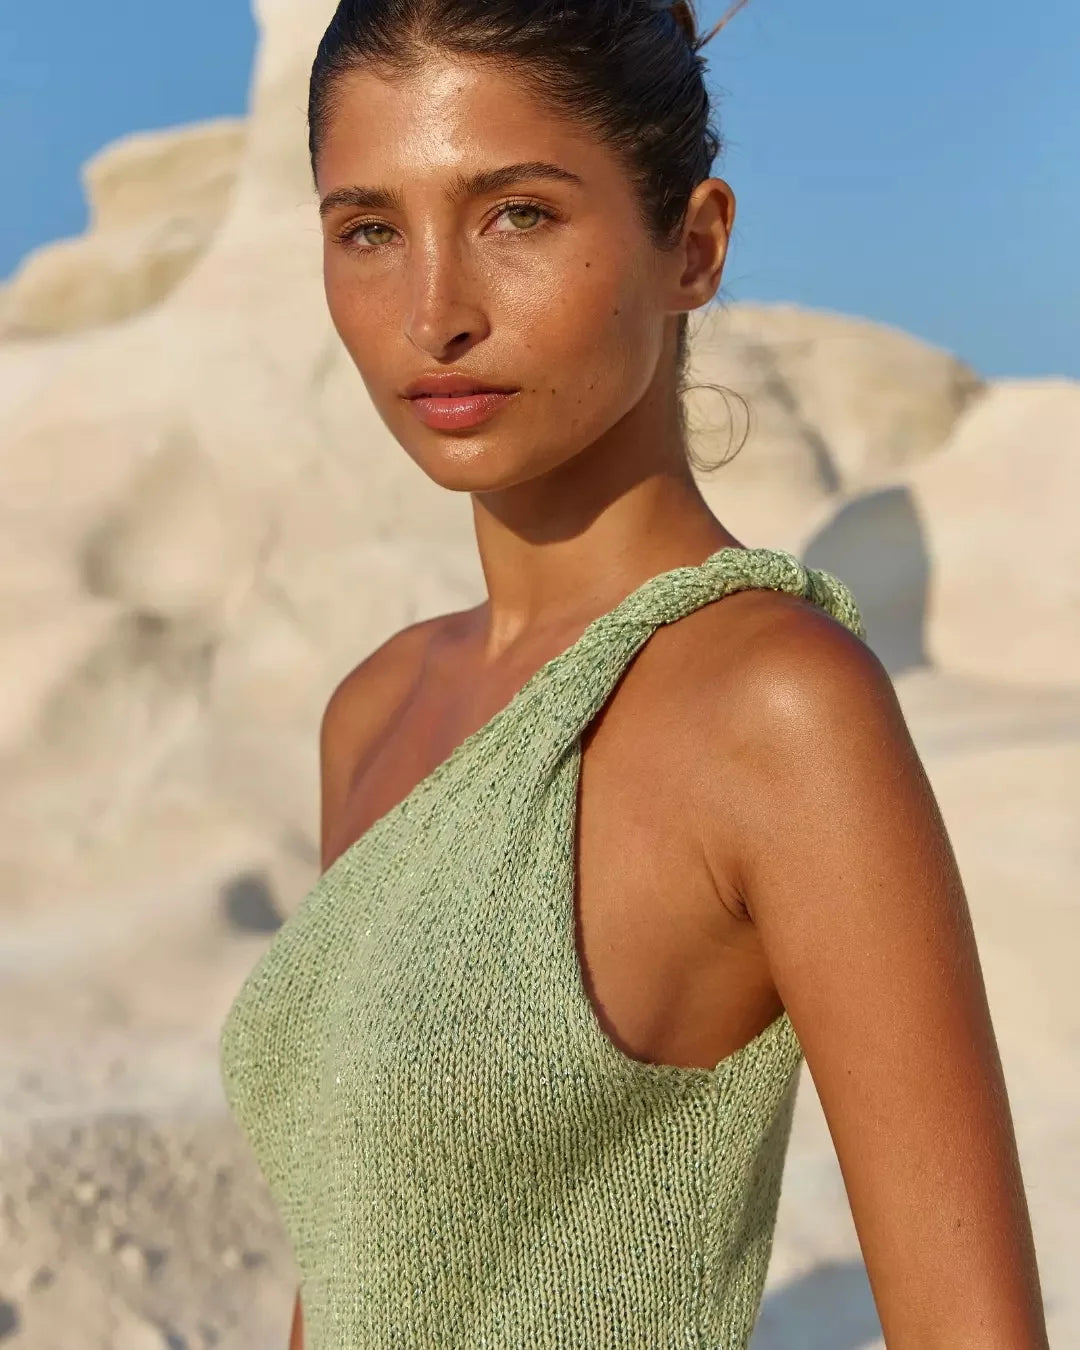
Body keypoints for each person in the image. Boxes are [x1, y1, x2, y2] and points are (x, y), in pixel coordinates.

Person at [218, 1, 1050, 1346]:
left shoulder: (779, 705)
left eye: (517, 215)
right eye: (371, 229)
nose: (433, 313)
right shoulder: (375, 713)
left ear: (695, 246)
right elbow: (366, 1266)